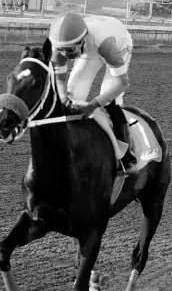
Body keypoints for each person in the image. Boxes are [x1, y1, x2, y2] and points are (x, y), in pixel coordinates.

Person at [48, 12, 138, 175]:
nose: (66, 56)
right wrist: (63, 97)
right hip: (89, 50)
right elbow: (60, 78)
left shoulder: (104, 43)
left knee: (111, 100)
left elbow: (122, 82)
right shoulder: (58, 47)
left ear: (82, 41)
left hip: (117, 44)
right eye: (63, 52)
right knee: (73, 92)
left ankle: (127, 157)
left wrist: (93, 105)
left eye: (70, 51)